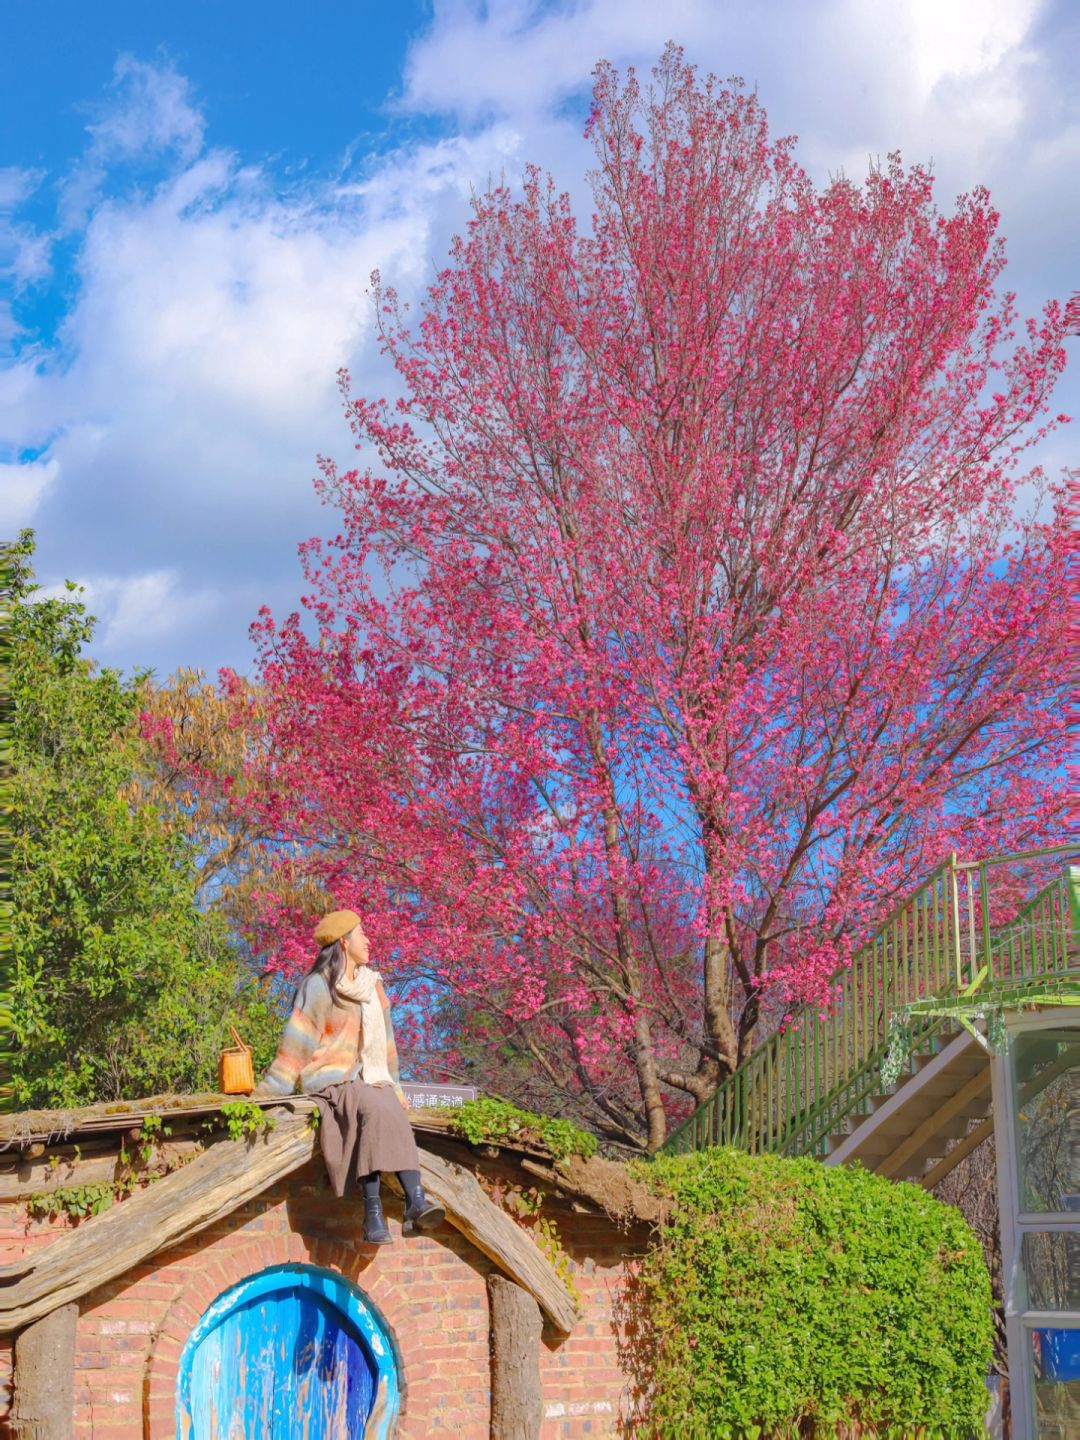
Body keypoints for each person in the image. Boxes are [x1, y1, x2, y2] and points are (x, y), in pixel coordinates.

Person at [252, 908, 444, 1245]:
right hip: (330, 1080)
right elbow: (296, 1045)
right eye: (361, 934)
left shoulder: (373, 988)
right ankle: (372, 1212)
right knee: (371, 1102)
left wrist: (396, 1086)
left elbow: (387, 1048)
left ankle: (415, 1202)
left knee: (384, 1099)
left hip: (370, 1080)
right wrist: (267, 1094)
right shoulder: (318, 986)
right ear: (343, 942)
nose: (369, 941)